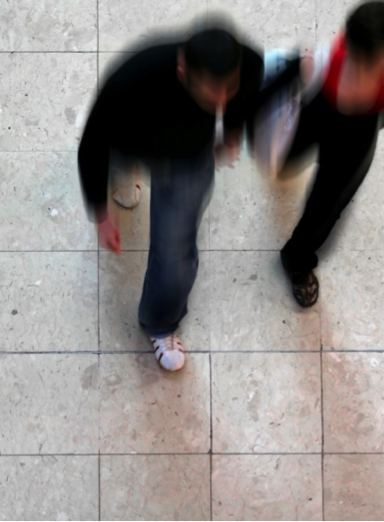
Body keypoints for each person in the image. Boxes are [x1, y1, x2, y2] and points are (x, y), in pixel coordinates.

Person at [77, 21, 264, 372]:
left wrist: (234, 130)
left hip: (188, 159)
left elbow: (249, 89)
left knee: (176, 252)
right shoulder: (131, 80)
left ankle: (160, 323)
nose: (221, 102)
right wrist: (101, 214)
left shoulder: (247, 62)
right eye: (212, 95)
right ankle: (123, 179)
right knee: (117, 165)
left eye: (228, 91)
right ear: (182, 70)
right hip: (132, 139)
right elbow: (93, 145)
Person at [271, 0, 384, 307]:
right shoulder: (325, 69)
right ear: (364, 61)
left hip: (360, 129)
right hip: (322, 113)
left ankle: (297, 260)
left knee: (328, 206)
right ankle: (287, 164)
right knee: (293, 159)